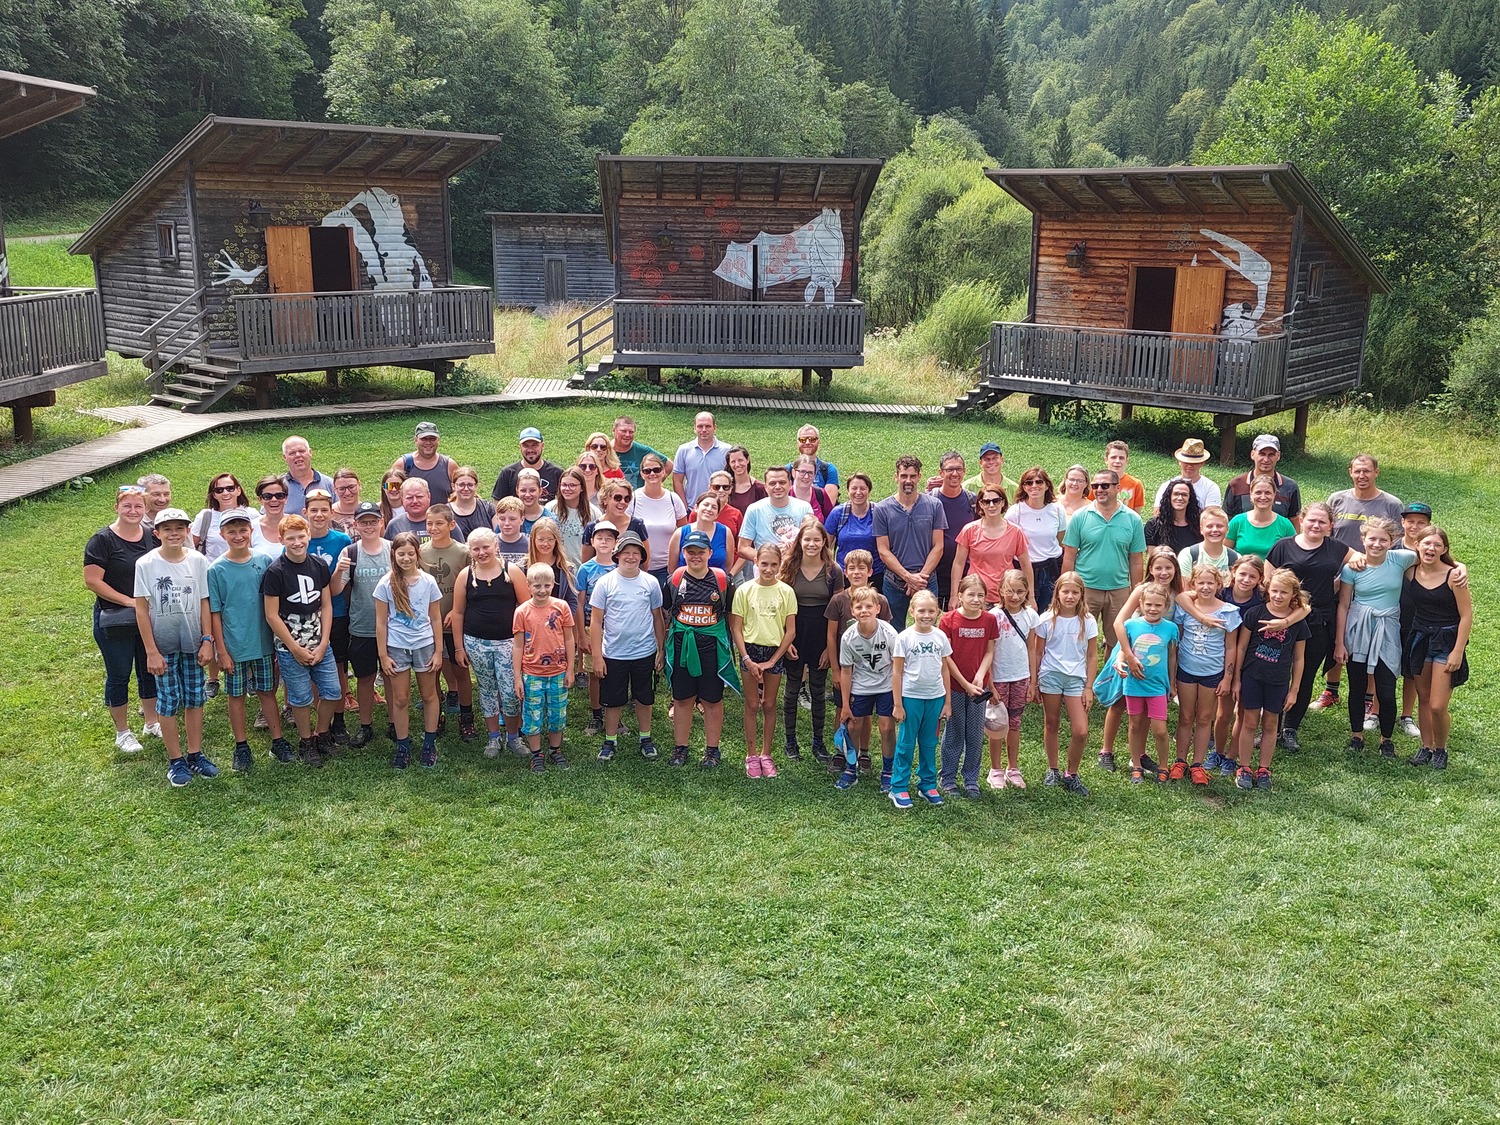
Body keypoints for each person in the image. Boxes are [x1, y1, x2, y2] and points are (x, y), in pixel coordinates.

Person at [1269, 502, 1366, 751]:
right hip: (1285, 618)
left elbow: (1360, 558)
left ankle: (1290, 728)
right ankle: (1272, 727)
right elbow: (1267, 580)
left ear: (1330, 526)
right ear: (1302, 520)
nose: (1316, 525)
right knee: (1278, 673)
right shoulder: (1283, 546)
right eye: (1312, 520)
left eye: (1322, 522)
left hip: (1318, 621)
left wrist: (1343, 577)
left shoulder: (1335, 547)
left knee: (1305, 674)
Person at [133, 507, 219, 787]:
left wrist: (207, 640)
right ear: (157, 533)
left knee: (195, 698)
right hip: (163, 646)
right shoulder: (145, 564)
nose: (174, 533)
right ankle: (176, 760)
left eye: (179, 528)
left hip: (193, 644)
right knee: (169, 701)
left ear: (187, 531)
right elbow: (141, 609)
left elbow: (204, 601)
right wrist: (151, 651)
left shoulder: (198, 560)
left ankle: (195, 754)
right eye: (167, 529)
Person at [209, 507, 289, 771]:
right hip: (235, 645)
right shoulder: (216, 569)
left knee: (267, 691)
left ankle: (278, 741)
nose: (238, 536)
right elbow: (215, 613)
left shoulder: (264, 560)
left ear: (251, 531)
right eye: (231, 531)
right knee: (237, 695)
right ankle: (241, 746)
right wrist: (222, 650)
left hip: (263, 643)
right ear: (222, 534)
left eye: (243, 530)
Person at [85, 485, 161, 753]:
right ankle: (123, 732)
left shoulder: (152, 536)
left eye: (138, 506)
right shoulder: (102, 540)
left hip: (147, 616)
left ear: (145, 509)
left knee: (149, 669)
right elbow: (93, 581)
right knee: (119, 675)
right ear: (116, 507)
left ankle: (151, 722)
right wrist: (129, 601)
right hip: (115, 618)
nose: (133, 511)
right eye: (127, 505)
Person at [1099, 547, 1187, 773]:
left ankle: (1138, 754)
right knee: (1119, 702)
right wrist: (1127, 655)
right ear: (1150, 569)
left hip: (1155, 657)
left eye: (1168, 568)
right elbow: (1119, 622)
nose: (1163, 572)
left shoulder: (1178, 592)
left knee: (1146, 705)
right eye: (1158, 568)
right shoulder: (1142, 590)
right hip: (1129, 650)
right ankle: (1106, 751)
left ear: (1175, 569)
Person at [261, 514, 339, 767]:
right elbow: (271, 615)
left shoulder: (318, 565)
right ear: (281, 539)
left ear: (308, 536)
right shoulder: (276, 571)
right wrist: (294, 648)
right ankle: (306, 741)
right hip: (290, 646)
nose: (297, 542)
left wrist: (324, 642)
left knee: (333, 691)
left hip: (319, 641)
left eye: (301, 536)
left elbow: (326, 605)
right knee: (301, 697)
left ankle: (321, 733)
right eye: (291, 538)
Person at [1336, 518, 1415, 759]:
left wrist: (1459, 567)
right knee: (1357, 687)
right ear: (1363, 540)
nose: (1377, 544)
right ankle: (1356, 735)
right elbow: (1343, 605)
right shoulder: (1353, 568)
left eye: (1383, 540)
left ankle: (1386, 740)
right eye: (1372, 539)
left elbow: (1434, 556)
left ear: (1392, 542)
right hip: (1358, 630)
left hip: (1387, 631)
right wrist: (1339, 643)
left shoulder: (1401, 559)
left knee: (1387, 690)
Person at [663, 530, 740, 769]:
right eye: (691, 552)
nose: (695, 556)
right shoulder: (675, 580)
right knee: (682, 698)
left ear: (710, 553)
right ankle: (680, 748)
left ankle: (712, 750)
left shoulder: (722, 581)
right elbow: (667, 612)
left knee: (712, 699)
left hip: (712, 648)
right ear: (683, 553)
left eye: (700, 552)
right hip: (682, 646)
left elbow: (731, 615)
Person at [451, 528, 529, 758]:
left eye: (486, 547)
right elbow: (457, 613)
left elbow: (527, 609)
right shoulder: (465, 575)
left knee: (511, 691)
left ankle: (514, 736)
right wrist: (458, 647)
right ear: (470, 551)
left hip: (509, 643)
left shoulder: (511, 571)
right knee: (487, 689)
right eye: (476, 549)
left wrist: (527, 642)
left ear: (496, 545)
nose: (482, 552)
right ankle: (493, 737)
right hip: (476, 643)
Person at [589, 531, 665, 762]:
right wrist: (597, 656)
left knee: (644, 698)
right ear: (617, 555)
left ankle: (645, 738)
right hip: (614, 653)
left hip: (644, 652)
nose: (631, 557)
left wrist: (661, 649)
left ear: (642, 557)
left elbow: (658, 617)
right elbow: (596, 621)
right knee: (613, 700)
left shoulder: (650, 583)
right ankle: (610, 740)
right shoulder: (605, 583)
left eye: (635, 553)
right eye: (626, 552)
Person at [1232, 568, 1310, 790]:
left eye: (1284, 592)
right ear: (1267, 590)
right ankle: (1244, 767)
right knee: (1249, 722)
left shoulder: (1298, 622)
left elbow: (1299, 659)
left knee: (1271, 724)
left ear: (1293, 594)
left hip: (1278, 681)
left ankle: (1264, 769)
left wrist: (1294, 690)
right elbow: (1241, 647)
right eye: (1274, 590)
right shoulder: (1254, 613)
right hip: (1252, 677)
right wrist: (1236, 679)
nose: (1278, 596)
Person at [374, 531, 444, 769]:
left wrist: (438, 651)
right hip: (397, 647)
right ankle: (403, 745)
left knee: (429, 695)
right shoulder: (385, 583)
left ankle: (429, 743)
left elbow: (436, 618)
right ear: (393, 554)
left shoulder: (428, 581)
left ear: (417, 554)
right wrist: (383, 655)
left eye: (410, 554)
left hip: (424, 645)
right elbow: (381, 622)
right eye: (401, 554)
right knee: (401, 698)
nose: (406, 558)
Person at [1402, 527, 1470, 770]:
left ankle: (1441, 749)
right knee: (1423, 698)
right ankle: (1426, 747)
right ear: (1417, 545)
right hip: (1420, 638)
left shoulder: (1454, 576)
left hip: (1446, 642)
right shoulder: (1410, 571)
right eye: (1427, 543)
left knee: (1437, 705)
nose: (1431, 548)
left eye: (1437, 545)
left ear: (1444, 549)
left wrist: (1458, 651)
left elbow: (1466, 615)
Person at [779, 517, 845, 766]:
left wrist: (830, 649)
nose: (812, 544)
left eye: (817, 540)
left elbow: (838, 611)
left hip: (822, 634)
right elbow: (781, 606)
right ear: (800, 541)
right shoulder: (789, 566)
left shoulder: (833, 570)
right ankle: (790, 741)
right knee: (792, 689)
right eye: (807, 539)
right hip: (795, 632)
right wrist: (786, 641)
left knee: (817, 691)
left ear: (824, 542)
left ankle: (818, 742)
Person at [731, 541, 798, 778]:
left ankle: (766, 754)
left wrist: (773, 660)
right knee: (752, 704)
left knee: (769, 704)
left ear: (780, 565)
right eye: (764, 564)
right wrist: (747, 658)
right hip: (750, 651)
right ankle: (751, 755)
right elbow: (736, 628)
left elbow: (790, 631)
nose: (768, 569)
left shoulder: (786, 592)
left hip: (774, 652)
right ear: (756, 563)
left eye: (774, 565)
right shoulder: (744, 590)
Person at [1061, 468, 1145, 654]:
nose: (1099, 489)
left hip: (1119, 590)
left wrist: (1136, 591)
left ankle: (1110, 673)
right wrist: (1066, 586)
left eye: (1105, 485)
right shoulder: (1080, 516)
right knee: (1078, 639)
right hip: (1086, 588)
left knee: (1117, 642)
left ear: (1117, 488)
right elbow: (1069, 555)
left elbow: (1136, 560)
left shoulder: (1133, 519)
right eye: (1095, 486)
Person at [1172, 563, 1242, 785]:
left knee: (1204, 718)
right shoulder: (1185, 608)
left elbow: (1231, 647)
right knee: (1185, 716)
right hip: (1186, 670)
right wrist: (1172, 675)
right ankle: (1180, 761)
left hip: (1212, 673)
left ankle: (1197, 764)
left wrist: (1228, 677)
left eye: (1210, 582)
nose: (1205, 587)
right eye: (1200, 582)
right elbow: (1177, 641)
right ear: (1193, 584)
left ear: (1218, 584)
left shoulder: (1228, 612)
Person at [1029, 570, 1096, 796]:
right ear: (1057, 593)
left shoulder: (1088, 620)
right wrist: (1035, 682)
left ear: (1081, 594)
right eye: (1065, 591)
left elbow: (1092, 655)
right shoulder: (1046, 619)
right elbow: (1038, 652)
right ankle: (1053, 769)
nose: (1070, 596)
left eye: (1075, 592)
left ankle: (1071, 773)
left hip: (1076, 678)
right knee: (1052, 723)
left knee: (1081, 730)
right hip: (1051, 675)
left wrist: (1089, 687)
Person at [329, 502, 390, 751]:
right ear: (356, 525)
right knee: (365, 678)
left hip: (393, 628)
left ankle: (395, 722)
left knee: (392, 676)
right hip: (362, 626)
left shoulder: (392, 549)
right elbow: (335, 590)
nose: (369, 526)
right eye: (364, 522)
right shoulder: (350, 553)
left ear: (381, 523)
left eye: (373, 521)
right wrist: (338, 571)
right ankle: (366, 725)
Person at [825, 551, 892, 774]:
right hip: (847, 665)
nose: (856, 573)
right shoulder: (838, 600)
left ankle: (863, 752)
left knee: (865, 714)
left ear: (870, 572)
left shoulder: (880, 601)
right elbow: (831, 636)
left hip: (873, 670)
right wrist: (835, 669)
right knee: (843, 709)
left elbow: (887, 635)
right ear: (845, 572)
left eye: (861, 568)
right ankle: (841, 752)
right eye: (851, 569)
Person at [888, 590, 953, 810]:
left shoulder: (940, 636)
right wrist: (897, 704)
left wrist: (947, 702)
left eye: (931, 611)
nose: (926, 615)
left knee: (929, 743)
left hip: (934, 698)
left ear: (937, 612)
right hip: (911, 698)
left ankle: (927, 784)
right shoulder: (904, 637)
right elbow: (897, 672)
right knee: (906, 744)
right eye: (921, 610)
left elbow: (945, 670)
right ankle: (898, 786)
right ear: (912, 611)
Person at [938, 574, 998, 799]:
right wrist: (964, 683)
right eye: (971, 595)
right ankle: (948, 778)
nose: (976, 599)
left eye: (980, 595)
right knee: (954, 732)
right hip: (954, 685)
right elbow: (946, 657)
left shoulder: (989, 620)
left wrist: (980, 677)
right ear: (960, 596)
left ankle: (971, 779)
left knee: (974, 733)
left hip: (978, 689)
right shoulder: (948, 620)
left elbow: (989, 652)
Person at [835, 583, 899, 792]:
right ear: (852, 611)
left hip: (886, 685)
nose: (864, 611)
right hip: (861, 686)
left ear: (878, 609)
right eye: (859, 607)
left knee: (887, 728)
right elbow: (846, 671)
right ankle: (851, 768)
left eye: (869, 606)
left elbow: (898, 668)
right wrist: (845, 705)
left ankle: (888, 771)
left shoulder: (889, 633)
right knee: (853, 726)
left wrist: (898, 700)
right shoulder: (848, 637)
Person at [513, 562, 576, 772]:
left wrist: (570, 669)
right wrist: (517, 677)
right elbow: (518, 645)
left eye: (547, 585)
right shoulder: (522, 612)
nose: (542, 590)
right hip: (532, 674)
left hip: (558, 672)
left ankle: (555, 750)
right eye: (537, 586)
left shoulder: (561, 607)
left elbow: (569, 639)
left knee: (558, 713)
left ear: (553, 584)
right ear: (528, 586)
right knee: (533, 714)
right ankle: (536, 753)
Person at [1116, 581, 1178, 785]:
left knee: (1160, 729)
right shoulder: (1130, 625)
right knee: (1135, 725)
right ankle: (1136, 765)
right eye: (1148, 604)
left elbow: (1172, 657)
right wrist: (1119, 662)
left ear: (1166, 606)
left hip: (1157, 686)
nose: (1153, 609)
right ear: (1141, 604)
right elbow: (1123, 650)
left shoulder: (1171, 628)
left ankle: (1163, 766)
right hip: (1134, 684)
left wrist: (1172, 683)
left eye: (1158, 605)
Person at [304, 489, 353, 745]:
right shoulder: (299, 540)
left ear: (331, 512)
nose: (319, 515)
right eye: (314, 510)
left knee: (339, 665)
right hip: (307, 617)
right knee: (314, 664)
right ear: (305, 513)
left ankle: (340, 718)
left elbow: (347, 580)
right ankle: (321, 718)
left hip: (338, 611)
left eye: (324, 510)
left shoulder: (342, 540)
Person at [874, 454, 947, 627]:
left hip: (926, 579)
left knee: (927, 630)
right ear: (896, 477)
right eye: (904, 476)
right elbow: (883, 550)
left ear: (919, 477)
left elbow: (938, 546)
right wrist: (908, 577)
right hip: (894, 581)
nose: (908, 480)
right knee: (893, 631)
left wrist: (920, 579)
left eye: (913, 476)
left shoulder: (934, 505)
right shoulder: (882, 509)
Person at [421, 503, 473, 740]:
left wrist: (456, 610)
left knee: (461, 670)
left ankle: (466, 716)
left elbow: (471, 586)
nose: (433, 528)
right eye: (429, 523)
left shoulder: (463, 552)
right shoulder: (421, 552)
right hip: (428, 625)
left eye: (439, 523)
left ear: (451, 525)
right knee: (432, 671)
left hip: (455, 625)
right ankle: (437, 714)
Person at [986, 569, 1037, 790]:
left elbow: (1032, 648)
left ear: (1027, 592)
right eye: (1010, 591)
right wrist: (989, 683)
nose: (1015, 596)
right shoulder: (993, 616)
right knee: (997, 723)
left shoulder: (1030, 615)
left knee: (1015, 723)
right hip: (998, 677)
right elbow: (988, 652)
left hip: (1020, 677)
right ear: (1000, 591)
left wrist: (1033, 681)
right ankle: (995, 769)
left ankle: (1013, 768)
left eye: (1020, 591)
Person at [951, 485, 1035, 605]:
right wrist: (954, 596)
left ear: (1003, 503)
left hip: (1007, 597)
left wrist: (1030, 597)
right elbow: (958, 563)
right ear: (980, 504)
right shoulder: (969, 530)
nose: (991, 505)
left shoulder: (1015, 532)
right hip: (976, 597)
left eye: (996, 501)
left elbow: (1026, 565)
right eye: (986, 502)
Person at [575, 523, 618, 736]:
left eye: (609, 538)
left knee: (615, 672)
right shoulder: (585, 569)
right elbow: (580, 603)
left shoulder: (620, 567)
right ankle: (596, 714)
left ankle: (614, 713)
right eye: (599, 538)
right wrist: (581, 636)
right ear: (592, 542)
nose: (604, 542)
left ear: (616, 543)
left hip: (616, 629)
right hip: (592, 626)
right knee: (594, 673)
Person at [1007, 467, 1067, 610]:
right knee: (1024, 610)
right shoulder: (1015, 512)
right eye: (1029, 483)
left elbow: (1061, 540)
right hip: (1024, 567)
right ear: (1024, 487)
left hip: (1052, 568)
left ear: (1047, 485)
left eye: (1039, 482)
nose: (1034, 486)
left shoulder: (1057, 510)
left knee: (1050, 612)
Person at [628, 452, 689, 585]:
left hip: (666, 568)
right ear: (642, 474)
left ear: (663, 472)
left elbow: (684, 532)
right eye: (647, 470)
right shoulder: (633, 499)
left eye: (656, 470)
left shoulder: (673, 499)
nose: (652, 474)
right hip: (637, 566)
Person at [1328, 453, 1403, 551]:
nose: (1361, 476)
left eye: (1366, 471)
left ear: (1376, 472)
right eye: (1357, 471)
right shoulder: (1336, 500)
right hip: (1338, 559)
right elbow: (1325, 533)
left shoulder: (1392, 505)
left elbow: (1398, 541)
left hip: (1377, 560)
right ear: (1350, 472)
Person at [929, 451, 975, 608]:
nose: (955, 473)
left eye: (959, 469)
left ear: (964, 472)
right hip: (935, 574)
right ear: (940, 472)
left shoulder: (973, 501)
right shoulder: (929, 502)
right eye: (949, 469)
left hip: (966, 575)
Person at [739, 465, 814, 561]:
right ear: (765, 487)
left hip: (797, 564)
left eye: (782, 482)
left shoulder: (804, 508)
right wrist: (770, 558)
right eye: (772, 483)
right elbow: (743, 548)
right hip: (767, 568)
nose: (778, 487)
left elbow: (812, 540)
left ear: (790, 484)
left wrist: (793, 550)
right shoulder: (754, 510)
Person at [1224, 434, 1301, 524]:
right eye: (1262, 454)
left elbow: (1294, 520)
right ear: (1253, 454)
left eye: (1271, 455)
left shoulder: (1290, 487)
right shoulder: (1236, 485)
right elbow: (1227, 519)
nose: (1266, 459)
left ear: (1278, 456)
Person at [824, 472, 880, 582]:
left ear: (869, 491)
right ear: (848, 491)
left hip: (874, 574)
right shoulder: (838, 513)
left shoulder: (878, 513)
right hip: (844, 574)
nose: (858, 492)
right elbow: (826, 545)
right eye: (854, 488)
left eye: (863, 488)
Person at [668, 491, 736, 575]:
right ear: (696, 508)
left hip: (715, 581)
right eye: (706, 505)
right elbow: (672, 569)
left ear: (717, 514)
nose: (709, 509)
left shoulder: (725, 532)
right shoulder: (680, 533)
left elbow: (728, 565)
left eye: (714, 507)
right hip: (686, 581)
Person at [1226, 476, 1295, 558]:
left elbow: (1293, 556)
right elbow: (1225, 553)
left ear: (1274, 495)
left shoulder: (1285, 525)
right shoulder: (1237, 521)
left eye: (1267, 493)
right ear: (1251, 494)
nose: (1263, 497)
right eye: (1258, 493)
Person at [543, 467, 598, 569]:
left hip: (581, 569)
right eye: (564, 485)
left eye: (572, 485)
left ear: (582, 487)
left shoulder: (593, 512)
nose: (567, 489)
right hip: (555, 568)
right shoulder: (550, 508)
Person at [582, 480, 647, 564]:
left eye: (627, 499)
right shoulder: (592, 528)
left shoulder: (637, 525)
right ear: (605, 499)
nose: (623, 502)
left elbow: (645, 560)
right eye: (618, 498)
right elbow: (586, 563)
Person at [391, 421, 458, 502]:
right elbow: (389, 490)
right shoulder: (402, 464)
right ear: (415, 440)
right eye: (424, 438)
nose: (428, 442)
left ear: (438, 440)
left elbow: (461, 491)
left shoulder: (449, 465)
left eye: (432, 439)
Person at [491, 426, 564, 501]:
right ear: (520, 447)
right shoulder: (508, 473)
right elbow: (498, 504)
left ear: (542, 446)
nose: (530, 450)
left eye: (534, 445)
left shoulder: (556, 473)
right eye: (525, 445)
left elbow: (564, 502)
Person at [193, 473, 253, 562]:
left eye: (230, 488)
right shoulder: (205, 517)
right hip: (212, 568)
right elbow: (191, 547)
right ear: (214, 495)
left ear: (238, 490)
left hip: (245, 566)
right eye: (219, 490)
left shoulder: (252, 514)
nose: (225, 493)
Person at [673, 411, 730, 501]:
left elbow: (733, 481)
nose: (704, 430)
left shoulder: (727, 451)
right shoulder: (683, 450)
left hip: (719, 506)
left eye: (708, 426)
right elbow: (677, 481)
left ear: (715, 428)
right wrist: (684, 506)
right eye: (700, 426)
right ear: (694, 428)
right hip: (692, 506)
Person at [1153, 438, 1220, 511]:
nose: (1189, 465)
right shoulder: (1166, 486)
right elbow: (1158, 512)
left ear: (1202, 463)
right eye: (1186, 462)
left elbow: (1212, 515)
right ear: (1179, 461)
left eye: (1195, 463)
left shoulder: (1211, 488)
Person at [1144, 478, 1203, 554]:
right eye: (1176, 494)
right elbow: (1151, 557)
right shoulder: (1153, 525)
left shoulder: (1199, 525)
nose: (1180, 498)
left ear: (1189, 499)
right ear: (1169, 497)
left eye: (1184, 495)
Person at [609, 415, 670, 488]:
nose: (627, 435)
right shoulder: (603, 449)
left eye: (631, 432)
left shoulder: (642, 450)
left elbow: (669, 465)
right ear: (613, 430)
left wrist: (653, 485)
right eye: (623, 431)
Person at [280, 435, 334, 514]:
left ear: (310, 452)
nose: (298, 455)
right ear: (285, 457)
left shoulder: (330, 485)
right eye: (292, 453)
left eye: (302, 451)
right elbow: (266, 517)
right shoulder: (278, 487)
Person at [1179, 506, 1237, 579]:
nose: (1215, 530)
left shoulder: (1236, 558)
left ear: (1227, 529)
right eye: (1209, 526)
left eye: (1219, 526)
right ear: (1201, 529)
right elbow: (1184, 585)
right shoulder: (1188, 555)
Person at [789, 424, 839, 505]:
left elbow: (829, 504)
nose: (807, 442)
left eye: (812, 439)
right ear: (797, 442)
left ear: (818, 442)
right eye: (802, 439)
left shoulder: (828, 469)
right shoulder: (788, 469)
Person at [448, 465, 496, 541]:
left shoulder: (489, 509)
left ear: (476, 486)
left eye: (470, 485)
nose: (466, 489)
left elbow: (497, 537)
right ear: (453, 486)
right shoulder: (446, 512)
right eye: (461, 485)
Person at [385, 478, 441, 542]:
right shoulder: (394, 525)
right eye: (409, 498)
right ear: (402, 500)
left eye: (419, 497)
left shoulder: (443, 522)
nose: (415, 501)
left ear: (429, 497)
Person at [789, 454, 835, 523]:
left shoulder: (820, 494)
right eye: (802, 472)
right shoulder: (786, 495)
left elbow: (832, 521)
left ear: (815, 475)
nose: (806, 476)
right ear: (793, 473)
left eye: (810, 473)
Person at [1104, 440, 1146, 514]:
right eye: (1113, 457)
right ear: (1106, 460)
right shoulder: (1097, 483)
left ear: (1126, 461)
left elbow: (1137, 515)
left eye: (1121, 458)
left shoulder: (1136, 484)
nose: (1117, 461)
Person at [725, 445, 768, 517]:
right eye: (733, 461)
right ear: (729, 464)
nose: (737, 464)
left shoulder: (759, 488)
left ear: (747, 460)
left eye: (740, 460)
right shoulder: (724, 487)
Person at [492, 496, 531, 571]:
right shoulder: (491, 543)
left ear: (522, 520)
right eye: (502, 519)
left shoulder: (530, 542)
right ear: (497, 519)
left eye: (512, 519)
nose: (507, 523)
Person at [253, 475, 288, 550]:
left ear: (286, 498)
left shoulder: (299, 523)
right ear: (260, 500)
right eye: (267, 496)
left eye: (279, 495)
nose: (274, 499)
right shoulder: (251, 528)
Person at [329, 468, 363, 535]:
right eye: (341, 489)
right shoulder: (328, 513)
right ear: (335, 490)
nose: (347, 493)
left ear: (359, 485)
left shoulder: (369, 511)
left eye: (351, 487)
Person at [515, 468, 548, 534]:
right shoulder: (508, 517)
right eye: (523, 490)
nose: (527, 495)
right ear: (517, 491)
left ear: (540, 491)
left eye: (532, 490)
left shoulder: (550, 518)